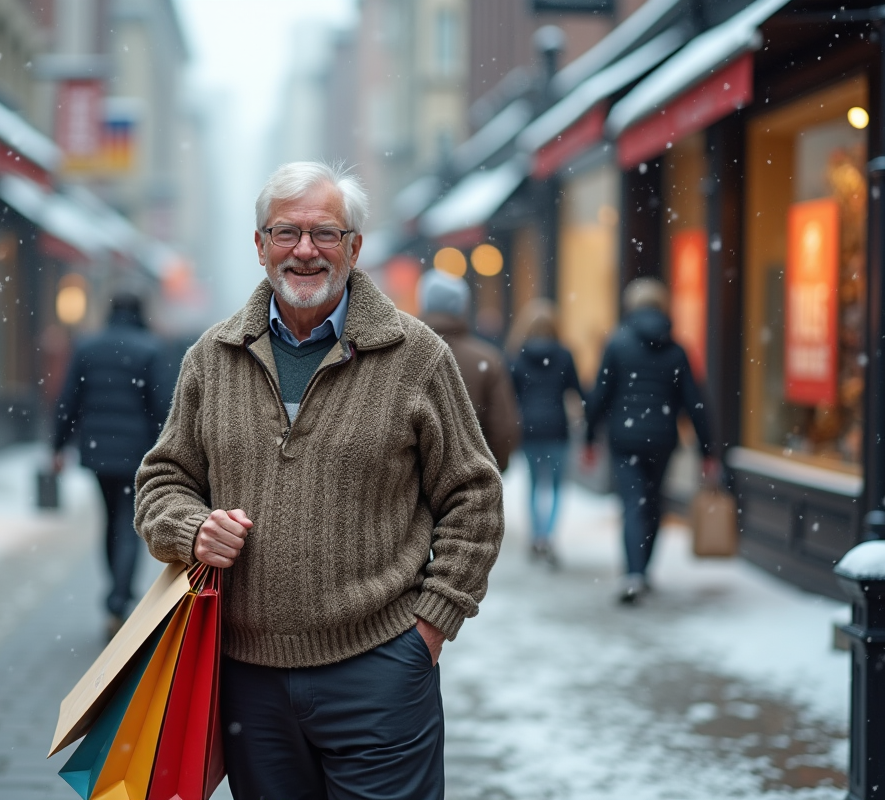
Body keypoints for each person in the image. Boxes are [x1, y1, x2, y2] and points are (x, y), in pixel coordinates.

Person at [135, 161, 504, 799]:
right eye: (286, 232)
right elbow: (161, 480)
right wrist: (191, 529)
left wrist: (430, 627)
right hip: (248, 681)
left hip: (381, 670)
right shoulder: (211, 359)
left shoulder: (417, 357)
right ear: (260, 246)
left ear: (354, 248)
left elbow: (475, 494)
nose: (305, 249)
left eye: (325, 233)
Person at [583, 278, 714, 604]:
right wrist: (708, 449)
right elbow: (694, 402)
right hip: (662, 439)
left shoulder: (617, 344)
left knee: (633, 503)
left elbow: (600, 394)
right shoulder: (677, 350)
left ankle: (634, 574)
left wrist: (588, 434)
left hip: (624, 438)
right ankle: (643, 570)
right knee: (654, 503)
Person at [51, 292, 171, 637]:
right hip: (136, 453)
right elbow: (162, 406)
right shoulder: (150, 349)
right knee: (129, 524)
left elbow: (68, 400)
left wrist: (57, 445)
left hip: (98, 451)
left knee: (110, 520)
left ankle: (115, 596)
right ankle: (119, 600)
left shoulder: (88, 348)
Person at [417, 269, 518, 472]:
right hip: (470, 477)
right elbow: (502, 428)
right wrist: (493, 469)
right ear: (462, 307)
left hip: (414, 481)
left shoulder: (402, 354)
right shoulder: (486, 359)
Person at [509, 299, 583, 565]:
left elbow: (510, 395)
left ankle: (535, 536)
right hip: (556, 427)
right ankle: (547, 536)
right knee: (555, 486)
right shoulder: (564, 355)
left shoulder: (517, 356)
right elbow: (577, 390)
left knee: (532, 484)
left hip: (528, 428)